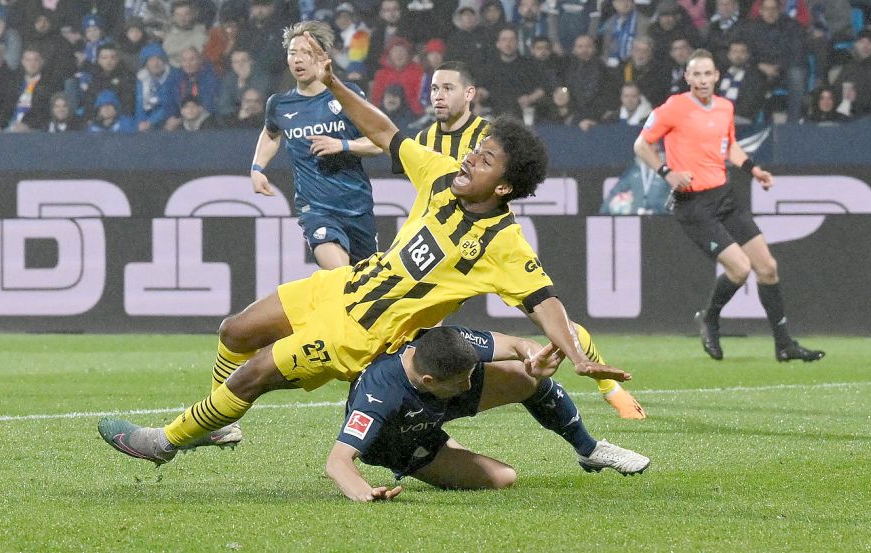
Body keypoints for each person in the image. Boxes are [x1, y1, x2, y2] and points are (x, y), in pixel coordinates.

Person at [97, 28, 640, 466]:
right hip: (343, 286)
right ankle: (220, 426)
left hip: (362, 331)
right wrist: (334, 85)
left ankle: (165, 441)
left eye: (486, 159)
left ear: (502, 187)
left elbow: (544, 302)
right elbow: (385, 132)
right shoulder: (441, 173)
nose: (471, 157)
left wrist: (576, 356)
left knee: (255, 372)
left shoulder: (503, 243)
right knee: (235, 330)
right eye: (478, 149)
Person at [406, 60, 646, 419]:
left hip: (484, 250)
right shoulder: (425, 138)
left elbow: (510, 188)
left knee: (544, 312)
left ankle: (606, 383)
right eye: (434, 89)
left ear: (469, 94)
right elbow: (389, 144)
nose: (438, 96)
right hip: (435, 251)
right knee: (423, 343)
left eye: (447, 88)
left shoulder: (492, 139)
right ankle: (417, 414)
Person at [633, 48, 825, 363]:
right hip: (693, 204)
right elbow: (641, 144)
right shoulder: (674, 108)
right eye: (697, 74)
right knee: (740, 268)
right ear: (687, 77)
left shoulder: (724, 108)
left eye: (708, 73)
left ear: (717, 76)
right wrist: (667, 172)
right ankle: (709, 317)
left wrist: (753, 169)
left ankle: (784, 344)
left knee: (768, 267)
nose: (703, 80)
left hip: (724, 197)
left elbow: (729, 147)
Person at [327, 326, 650, 501]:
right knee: (502, 478)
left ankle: (589, 450)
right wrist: (364, 493)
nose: (471, 385)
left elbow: (517, 344)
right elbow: (338, 461)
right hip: (401, 440)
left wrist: (532, 356)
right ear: (429, 380)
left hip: (439, 400)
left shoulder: (448, 343)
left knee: (525, 377)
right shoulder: (380, 395)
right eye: (462, 380)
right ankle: (446, 453)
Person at [248, 20, 383, 270]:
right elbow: (271, 133)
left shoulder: (348, 95)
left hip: (357, 207)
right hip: (316, 210)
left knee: (365, 288)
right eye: (292, 53)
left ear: (321, 57)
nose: (297, 60)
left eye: (306, 53)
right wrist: (257, 168)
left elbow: (379, 143)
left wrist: (343, 145)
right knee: (340, 277)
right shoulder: (279, 104)